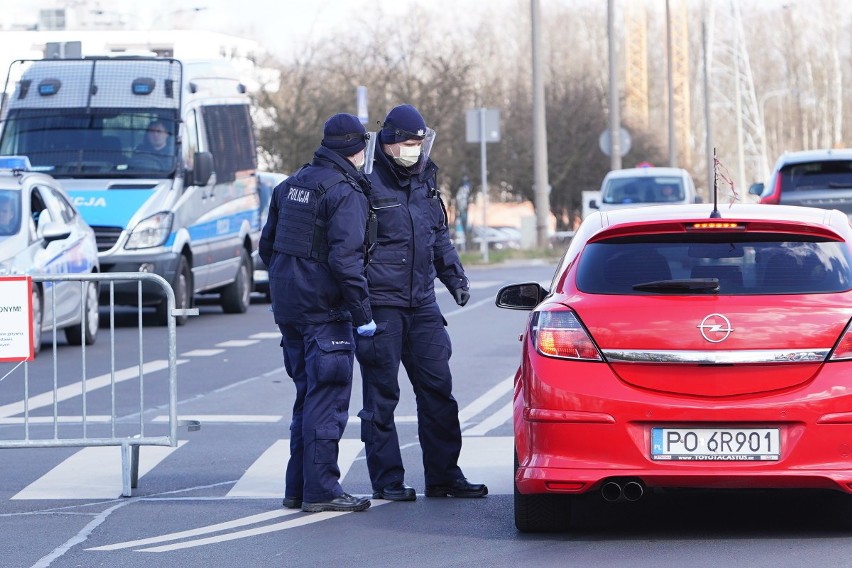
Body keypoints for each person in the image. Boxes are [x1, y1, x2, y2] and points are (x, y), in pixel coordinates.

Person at [356, 104, 488, 501]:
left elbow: (438, 236)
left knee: (438, 391)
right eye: (410, 143)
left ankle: (444, 475)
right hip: (381, 304)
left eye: (419, 142)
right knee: (382, 397)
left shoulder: (424, 179)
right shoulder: (366, 182)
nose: (416, 149)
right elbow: (350, 244)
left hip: (422, 304)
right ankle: (387, 479)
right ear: (392, 142)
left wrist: (455, 279)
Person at [259, 113, 376, 513]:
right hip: (326, 311)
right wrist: (363, 315)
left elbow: (267, 247)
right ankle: (322, 490)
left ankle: (299, 487)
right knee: (327, 401)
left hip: (290, 308)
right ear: (356, 150)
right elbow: (347, 262)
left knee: (306, 398)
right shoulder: (344, 192)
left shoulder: (290, 184)